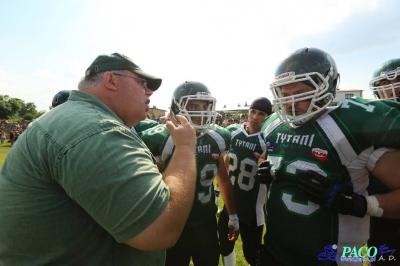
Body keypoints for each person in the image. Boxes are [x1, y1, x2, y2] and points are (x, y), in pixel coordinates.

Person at [0, 52, 198, 265]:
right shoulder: (95, 129)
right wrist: (185, 147)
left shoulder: (78, 119)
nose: (149, 91)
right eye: (142, 83)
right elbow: (160, 229)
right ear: (111, 80)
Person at [257, 47, 400, 266]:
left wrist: (360, 204)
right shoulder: (273, 125)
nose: (291, 104)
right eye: (285, 95)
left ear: (327, 88)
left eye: (301, 94)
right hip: (276, 250)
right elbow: (267, 157)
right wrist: (264, 168)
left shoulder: (349, 128)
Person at [138, 81, 239, 266]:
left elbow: (223, 180)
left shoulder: (218, 137)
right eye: (194, 106)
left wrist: (233, 216)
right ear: (178, 108)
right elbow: (152, 187)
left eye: (205, 106)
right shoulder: (163, 138)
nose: (201, 112)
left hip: (206, 221)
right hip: (173, 222)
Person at [218, 97, 272, 266]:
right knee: (225, 246)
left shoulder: (267, 140)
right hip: (230, 203)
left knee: (252, 254)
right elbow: (226, 164)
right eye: (253, 111)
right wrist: (218, 190)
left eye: (261, 113)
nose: (255, 117)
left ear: (268, 117)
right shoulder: (233, 134)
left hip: (252, 208)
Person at [368, 58, 400, 265]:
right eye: (384, 85)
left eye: (398, 81)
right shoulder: (371, 124)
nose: (393, 89)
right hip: (382, 214)